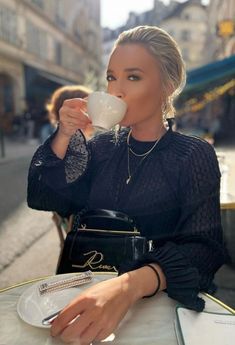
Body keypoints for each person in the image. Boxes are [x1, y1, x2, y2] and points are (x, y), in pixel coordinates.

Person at [27, 26, 227, 344]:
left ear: (167, 86)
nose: (115, 91)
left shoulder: (192, 153)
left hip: (153, 310)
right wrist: (64, 136)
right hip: (83, 296)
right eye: (111, 77)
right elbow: (42, 197)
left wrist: (129, 286)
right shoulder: (101, 147)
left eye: (132, 77)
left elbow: (205, 250)